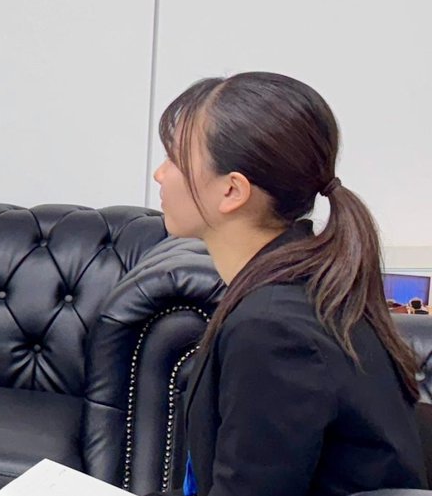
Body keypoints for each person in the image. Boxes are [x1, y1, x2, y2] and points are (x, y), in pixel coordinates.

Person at [152, 72, 425, 496]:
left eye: (174, 158)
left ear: (232, 191)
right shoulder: (306, 287)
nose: (159, 174)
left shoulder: (272, 330)